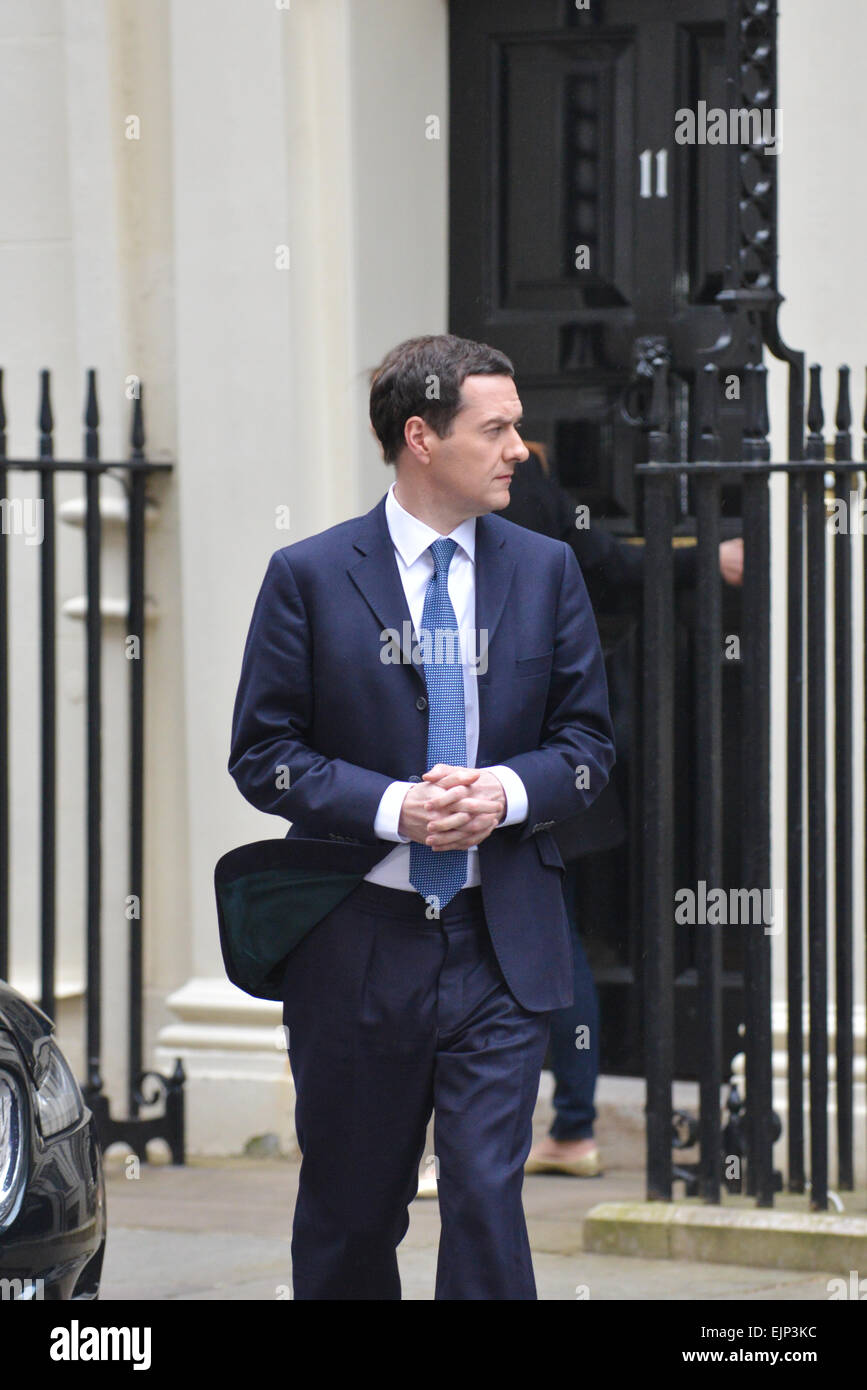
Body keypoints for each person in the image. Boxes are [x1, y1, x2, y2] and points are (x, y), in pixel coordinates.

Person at [227, 334, 615, 1300]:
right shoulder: (309, 577)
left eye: (516, 426)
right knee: (354, 1214)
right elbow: (263, 757)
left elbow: (587, 747)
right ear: (420, 438)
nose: (520, 448)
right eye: (497, 428)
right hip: (356, 944)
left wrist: (506, 794)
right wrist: (397, 807)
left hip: (500, 940)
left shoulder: (546, 568)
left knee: (486, 1195)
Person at [501, 443, 743, 1177]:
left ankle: (540, 1131)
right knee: (548, 941)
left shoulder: (516, 494)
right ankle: (566, 1128)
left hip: (518, 765)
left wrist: (705, 557)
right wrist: (709, 555)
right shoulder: (536, 488)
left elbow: (604, 565)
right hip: (547, 763)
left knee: (516, 943)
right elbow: (606, 562)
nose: (510, 442)